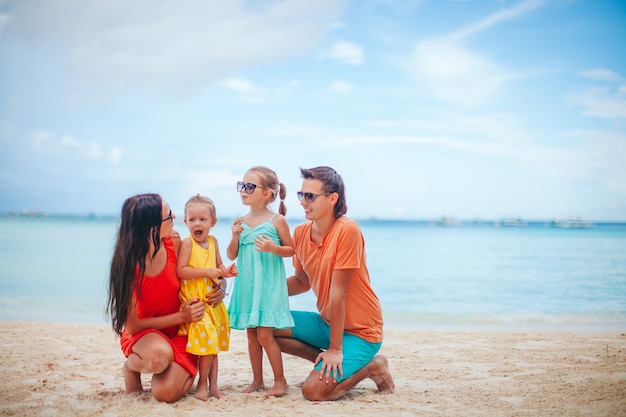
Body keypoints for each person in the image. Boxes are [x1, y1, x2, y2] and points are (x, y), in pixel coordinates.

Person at [274, 166, 395, 401]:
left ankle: (372, 366)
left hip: (361, 331)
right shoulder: (300, 233)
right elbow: (301, 282)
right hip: (328, 323)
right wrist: (261, 293)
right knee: (264, 324)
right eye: (301, 195)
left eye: (310, 196)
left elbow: (337, 293)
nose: (302, 201)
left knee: (314, 391)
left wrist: (336, 349)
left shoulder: (347, 231)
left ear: (332, 198)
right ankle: (325, 365)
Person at [106, 193, 226, 403]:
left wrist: (221, 287)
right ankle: (131, 367)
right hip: (145, 335)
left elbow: (202, 269)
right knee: (158, 357)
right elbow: (133, 326)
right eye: (168, 216)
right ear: (151, 227)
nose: (174, 219)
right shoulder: (127, 265)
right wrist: (182, 316)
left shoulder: (175, 242)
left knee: (166, 394)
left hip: (180, 332)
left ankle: (181, 366)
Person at [226, 166, 295, 398]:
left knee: (266, 335)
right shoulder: (241, 221)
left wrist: (273, 248)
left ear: (266, 193)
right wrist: (235, 236)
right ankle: (257, 380)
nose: (243, 190)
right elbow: (231, 255)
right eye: (242, 185)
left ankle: (280, 380)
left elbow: (291, 250)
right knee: (251, 335)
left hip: (267, 287)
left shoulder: (277, 221)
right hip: (248, 286)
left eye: (249, 186)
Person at [176, 194, 237, 400]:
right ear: (185, 222)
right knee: (207, 345)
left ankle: (214, 386)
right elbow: (181, 271)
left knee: (212, 347)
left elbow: (218, 266)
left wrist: (225, 272)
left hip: (211, 302)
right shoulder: (187, 244)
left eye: (202, 219)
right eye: (192, 220)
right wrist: (207, 272)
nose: (197, 224)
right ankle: (201, 385)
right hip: (195, 303)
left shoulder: (213, 241)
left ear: (213, 222)